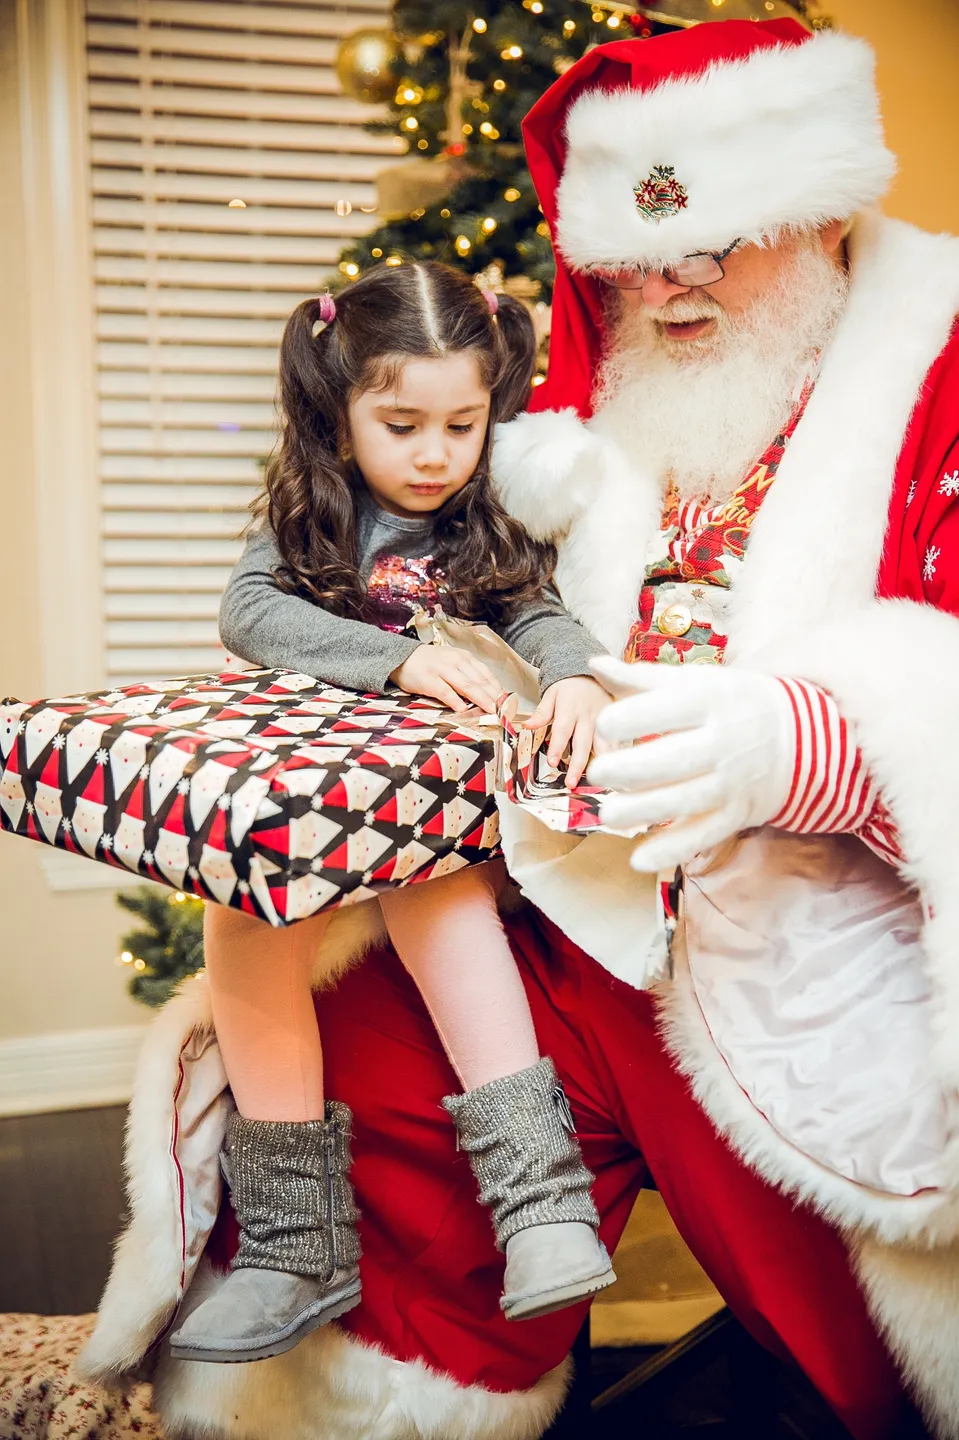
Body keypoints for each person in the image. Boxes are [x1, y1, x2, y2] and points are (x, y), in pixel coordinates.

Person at [81, 18, 959, 1440]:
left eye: (716, 243)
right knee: (347, 1041)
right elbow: (507, 599)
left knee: (863, 1340)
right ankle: (370, 1373)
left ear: (813, 214)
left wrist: (807, 740)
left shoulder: (934, 366)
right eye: (637, 253)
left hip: (811, 944)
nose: (668, 288)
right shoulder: (589, 394)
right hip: (577, 907)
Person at [165, 261, 614, 1367]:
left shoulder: (477, 517)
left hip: (426, 808)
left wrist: (573, 676)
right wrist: (395, 666)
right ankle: (291, 1245)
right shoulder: (315, 510)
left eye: (462, 425)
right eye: (400, 423)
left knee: (436, 894)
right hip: (308, 791)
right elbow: (246, 610)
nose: (431, 454)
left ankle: (540, 1201)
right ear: (341, 409)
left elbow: (538, 612)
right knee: (241, 919)